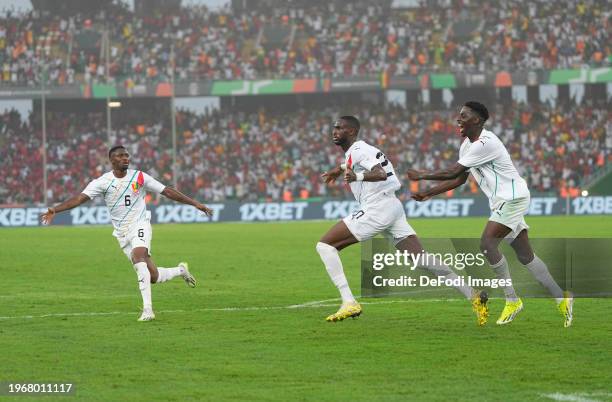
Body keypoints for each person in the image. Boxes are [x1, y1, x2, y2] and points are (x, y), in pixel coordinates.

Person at [407, 101, 573, 327]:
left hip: (512, 198)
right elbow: (460, 178)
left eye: (463, 116)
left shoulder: (487, 142)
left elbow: (453, 170)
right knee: (526, 256)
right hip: (503, 202)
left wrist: (422, 175)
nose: (458, 119)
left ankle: (512, 299)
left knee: (487, 243)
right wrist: (429, 193)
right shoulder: (467, 145)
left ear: (477, 120)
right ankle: (561, 297)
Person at [317, 116, 489, 324]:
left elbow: (379, 173)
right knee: (422, 259)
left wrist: (357, 177)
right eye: (334, 128)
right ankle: (474, 295)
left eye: (340, 128)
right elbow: (359, 163)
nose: (335, 132)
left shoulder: (358, 150)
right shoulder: (360, 150)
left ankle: (349, 302)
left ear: (352, 132)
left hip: (377, 208)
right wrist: (340, 169)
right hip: (392, 207)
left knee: (325, 246)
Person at [41, 145, 213, 322]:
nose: (125, 158)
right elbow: (79, 198)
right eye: (120, 156)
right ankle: (181, 270)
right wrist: (55, 209)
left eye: (127, 155)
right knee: (153, 276)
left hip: (140, 224)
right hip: (122, 234)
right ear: (111, 160)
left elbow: (166, 190)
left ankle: (148, 310)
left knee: (138, 257)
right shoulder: (102, 182)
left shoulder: (139, 176)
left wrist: (195, 203)